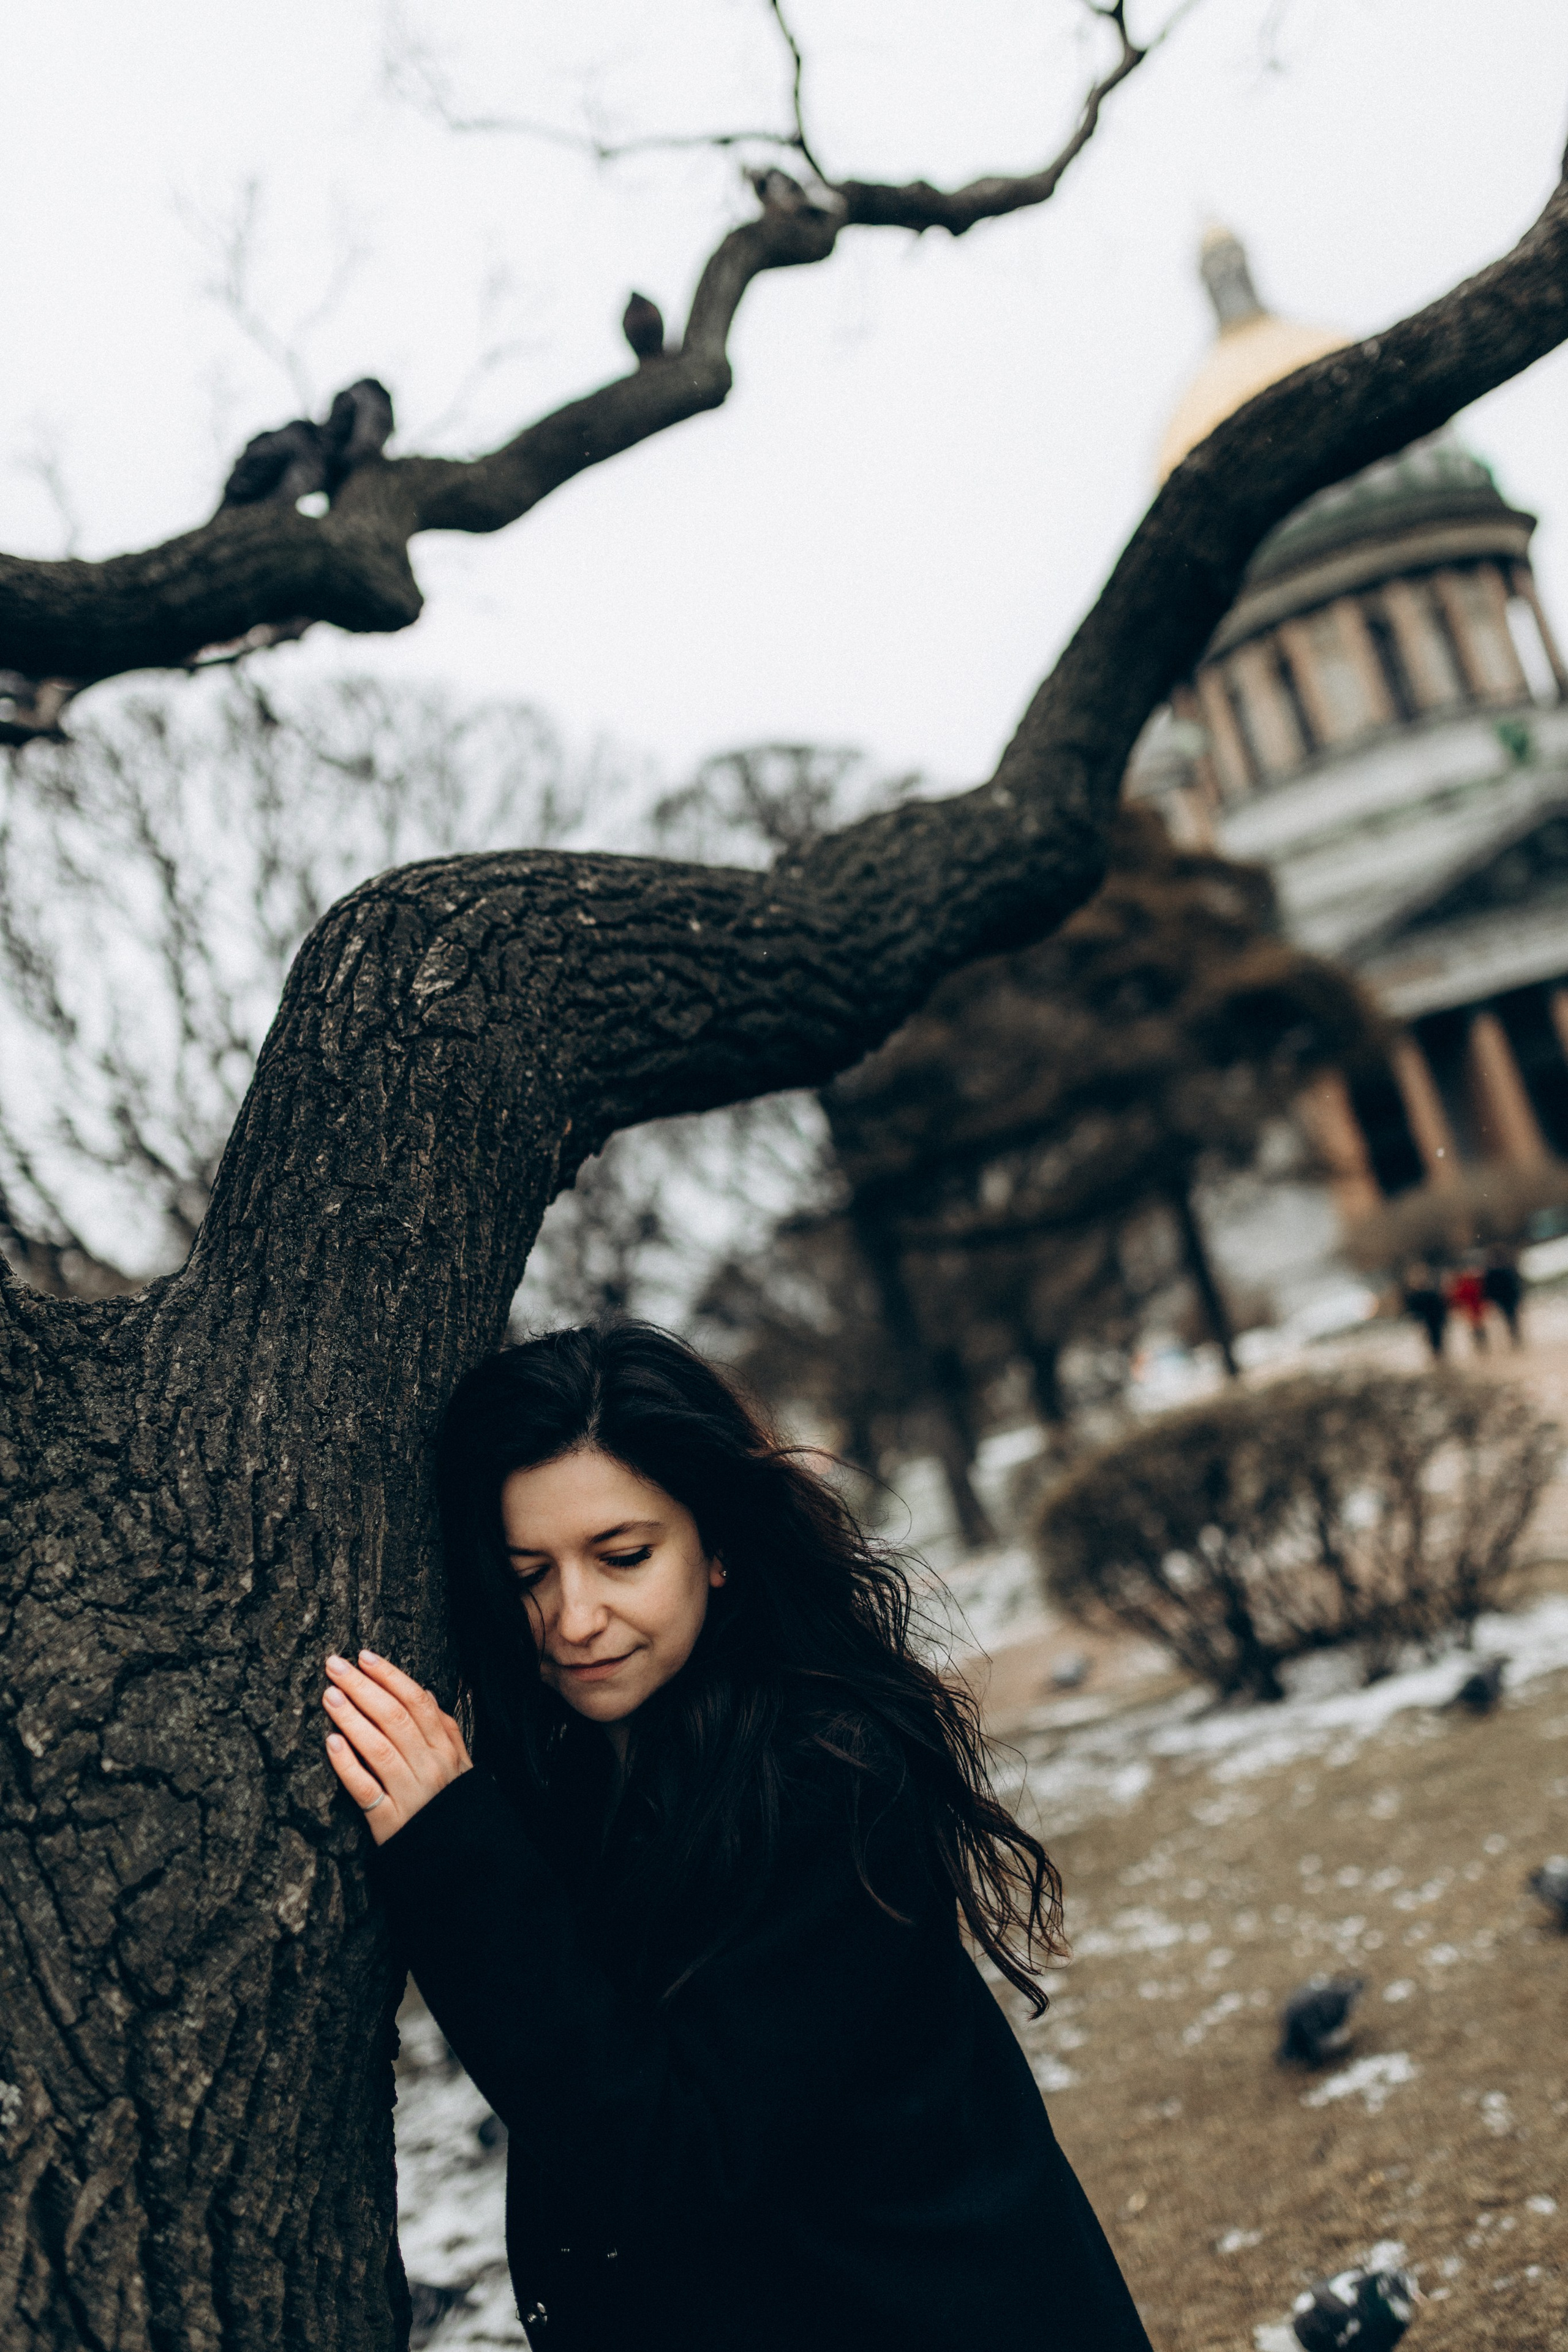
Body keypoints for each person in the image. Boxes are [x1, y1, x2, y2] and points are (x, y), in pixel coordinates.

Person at [321, 1322, 1153, 2352]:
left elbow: (669, 2157)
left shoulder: (829, 1780)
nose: (573, 1617)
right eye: (527, 1572)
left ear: (717, 1548)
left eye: (623, 1557)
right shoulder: (571, 1767)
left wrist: (458, 1860)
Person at [1482, 1243, 1525, 1348]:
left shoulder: (1494, 1270)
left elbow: (1489, 1286)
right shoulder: (1505, 1268)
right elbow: (1515, 1282)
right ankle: (1515, 1335)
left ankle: (1514, 1336)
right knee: (1511, 1317)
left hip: (1504, 1298)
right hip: (1507, 1297)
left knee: (1509, 1317)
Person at [1401, 1261, 1447, 1357]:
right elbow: (1415, 1309)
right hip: (1428, 1321)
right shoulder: (1417, 1295)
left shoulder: (1430, 1293)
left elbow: (1440, 1306)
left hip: (1434, 1319)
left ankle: (1438, 1353)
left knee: (1436, 1338)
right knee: (1432, 1338)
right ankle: (1437, 1354)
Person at [1447, 1261, 1489, 1352]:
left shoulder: (1471, 1284)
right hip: (1471, 1308)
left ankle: (1481, 1342)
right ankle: (1480, 1343)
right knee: (1476, 1326)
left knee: (1478, 1326)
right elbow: (1458, 1297)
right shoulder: (1467, 1285)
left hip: (1475, 1307)